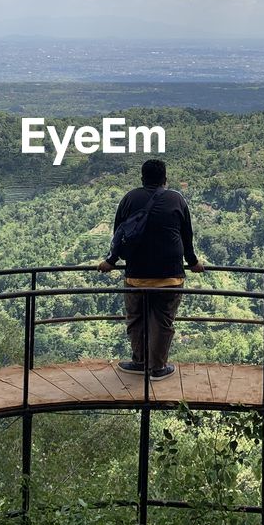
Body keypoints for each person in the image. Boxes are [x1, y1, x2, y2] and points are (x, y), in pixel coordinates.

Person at [97, 159, 202, 380]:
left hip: (137, 275)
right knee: (163, 321)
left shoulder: (129, 198)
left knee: (136, 319)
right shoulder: (177, 199)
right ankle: (157, 369)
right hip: (170, 276)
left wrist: (111, 261)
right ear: (165, 179)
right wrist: (193, 263)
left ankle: (140, 362)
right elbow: (187, 237)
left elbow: (118, 235)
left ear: (142, 178)